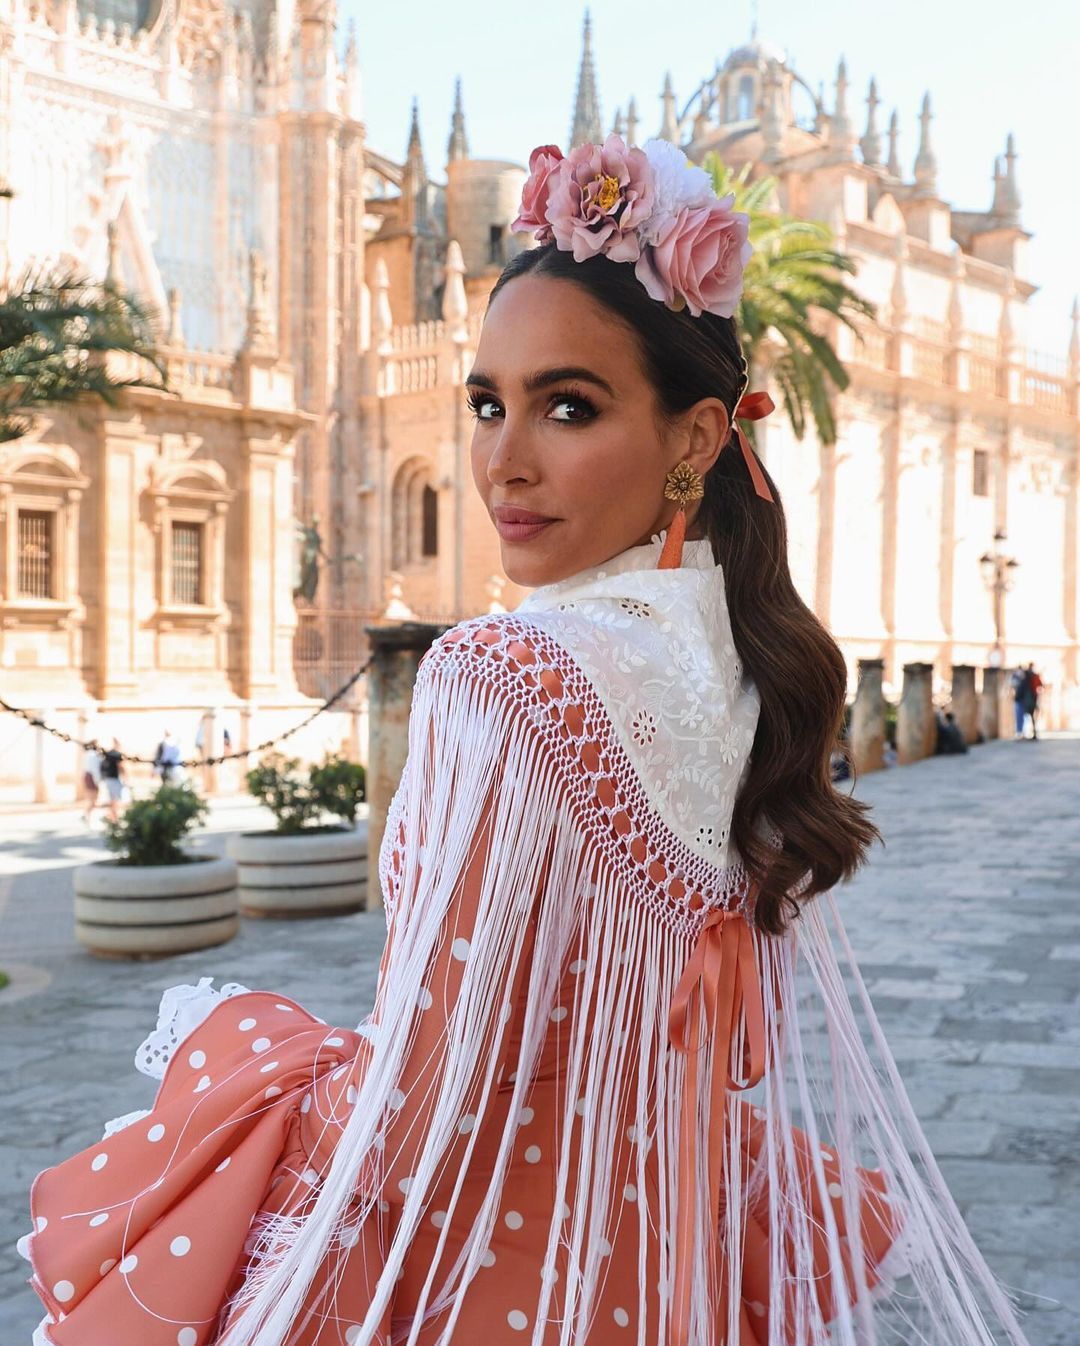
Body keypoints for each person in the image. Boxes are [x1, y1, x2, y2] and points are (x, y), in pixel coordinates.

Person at [21, 136, 1030, 1346]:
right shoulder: (738, 674)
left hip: (491, 1273)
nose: (504, 458)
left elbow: (417, 1112)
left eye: (569, 405)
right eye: (489, 403)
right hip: (660, 1246)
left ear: (699, 439)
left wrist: (238, 1064)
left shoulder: (503, 677)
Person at [99, 737, 126, 822]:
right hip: (114, 778)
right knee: (116, 798)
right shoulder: (117, 754)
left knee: (111, 797)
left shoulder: (108, 753)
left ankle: (111, 815)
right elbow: (120, 766)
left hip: (108, 778)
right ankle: (114, 816)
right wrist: (125, 776)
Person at [79, 739, 101, 825]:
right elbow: (95, 769)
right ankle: (86, 815)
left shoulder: (88, 754)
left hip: (87, 776)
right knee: (93, 799)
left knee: (90, 799)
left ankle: (86, 815)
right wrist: (97, 780)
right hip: (92, 777)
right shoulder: (94, 755)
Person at [1025, 662, 1043, 740]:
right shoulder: (1033, 676)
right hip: (1032, 697)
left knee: (1030, 715)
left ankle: (1033, 732)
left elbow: (1040, 685)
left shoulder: (1029, 676)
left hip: (1030, 698)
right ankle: (1033, 731)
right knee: (1031, 715)